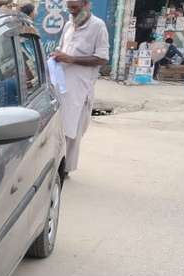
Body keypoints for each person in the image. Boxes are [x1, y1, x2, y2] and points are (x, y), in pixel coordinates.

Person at [50, 0, 109, 178]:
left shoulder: (98, 26)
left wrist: (71, 59)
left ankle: (65, 169)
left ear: (86, 4)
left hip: (80, 87)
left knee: (73, 129)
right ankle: (56, 164)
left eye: (75, 8)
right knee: (59, 127)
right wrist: (57, 56)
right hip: (61, 83)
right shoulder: (69, 25)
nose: (72, 12)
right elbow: (61, 49)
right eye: (69, 8)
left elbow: (102, 58)